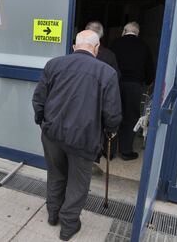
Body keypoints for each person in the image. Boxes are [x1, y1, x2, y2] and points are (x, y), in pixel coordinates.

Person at [32, 30, 122, 241]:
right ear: (97, 49)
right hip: (84, 138)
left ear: (74, 47)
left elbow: (39, 99)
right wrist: (111, 130)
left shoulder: (53, 64)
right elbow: (113, 112)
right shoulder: (107, 72)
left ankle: (53, 214)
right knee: (78, 182)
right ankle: (69, 225)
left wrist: (42, 122)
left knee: (56, 174)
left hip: (52, 134)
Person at [110, 21, 155, 161]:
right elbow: (149, 69)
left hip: (115, 84)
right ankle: (126, 151)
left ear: (124, 30)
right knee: (130, 118)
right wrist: (148, 82)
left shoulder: (115, 44)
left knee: (113, 115)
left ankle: (109, 152)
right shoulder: (144, 46)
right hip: (134, 86)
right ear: (137, 32)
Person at [85, 21, 120, 160]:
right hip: (99, 101)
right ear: (101, 36)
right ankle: (96, 155)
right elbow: (116, 77)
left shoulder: (73, 55)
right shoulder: (109, 55)